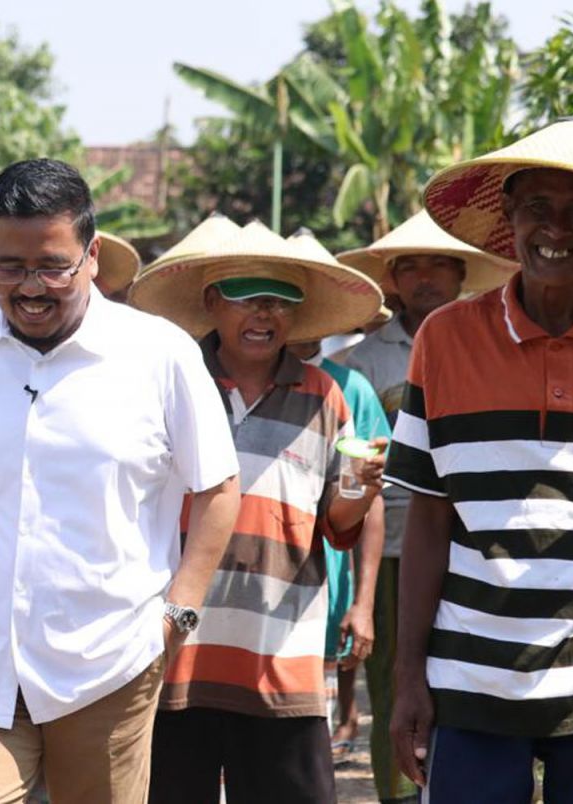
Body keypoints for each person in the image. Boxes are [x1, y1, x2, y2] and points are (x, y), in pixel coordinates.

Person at [0, 159, 241, 803]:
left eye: (53, 267)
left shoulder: (159, 355)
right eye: (9, 268)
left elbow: (217, 489)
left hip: (110, 664)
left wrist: (175, 615)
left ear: (92, 256)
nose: (31, 288)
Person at [386, 118, 573, 802]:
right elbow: (428, 520)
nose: (555, 229)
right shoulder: (445, 339)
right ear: (509, 219)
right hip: (470, 678)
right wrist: (408, 678)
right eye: (537, 208)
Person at [131, 217, 386, 804]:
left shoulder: (324, 396)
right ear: (212, 303)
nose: (264, 314)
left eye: (279, 301)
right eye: (247, 298)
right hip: (173, 652)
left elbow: (337, 523)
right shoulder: (169, 384)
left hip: (283, 653)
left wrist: (359, 493)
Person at [338, 209, 515, 803]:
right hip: (392, 538)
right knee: (395, 675)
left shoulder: (495, 345)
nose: (424, 277)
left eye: (438, 264)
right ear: (392, 279)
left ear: (461, 273)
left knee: (477, 670)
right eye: (409, 266)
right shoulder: (364, 364)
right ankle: (400, 792)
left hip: (479, 538)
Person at [288, 331, 390, 766]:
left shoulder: (349, 389)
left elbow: (368, 498)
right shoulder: (219, 379)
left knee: (297, 759)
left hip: (320, 595)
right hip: (228, 606)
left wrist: (363, 603)